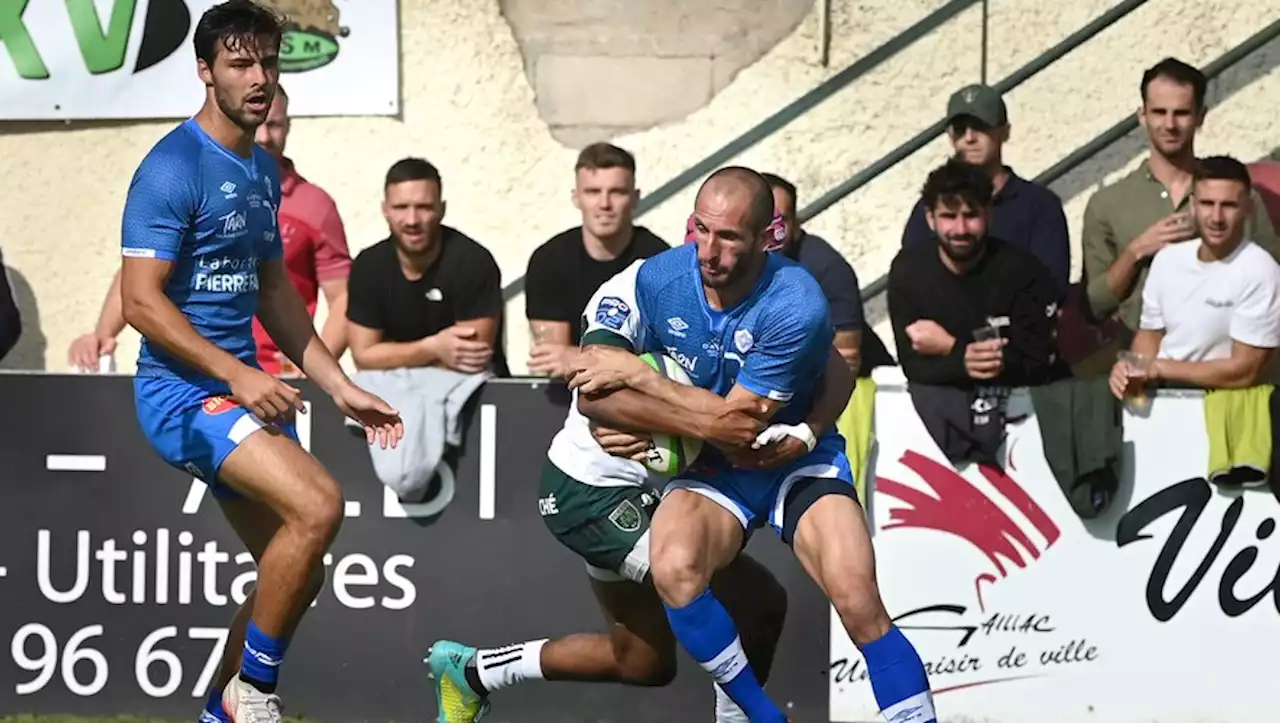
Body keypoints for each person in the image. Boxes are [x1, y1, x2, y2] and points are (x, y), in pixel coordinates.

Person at [545, 167, 937, 723]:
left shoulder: (795, 300)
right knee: (675, 569)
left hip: (791, 459)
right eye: (700, 230)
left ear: (768, 236)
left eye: (729, 236)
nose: (709, 250)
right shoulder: (654, 280)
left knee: (858, 601)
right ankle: (761, 716)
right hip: (712, 468)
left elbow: (744, 423)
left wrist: (646, 382)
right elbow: (592, 394)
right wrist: (643, 396)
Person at [117, 3, 403, 722]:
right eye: (241, 64)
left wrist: (339, 385)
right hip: (181, 395)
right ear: (205, 72)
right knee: (319, 504)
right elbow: (141, 303)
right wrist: (240, 375)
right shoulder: (171, 167)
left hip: (237, 389)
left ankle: (221, 711)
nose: (259, 79)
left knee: (296, 562)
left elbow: (275, 292)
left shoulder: (260, 168)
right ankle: (254, 693)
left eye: (268, 63)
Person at [425, 258, 858, 723]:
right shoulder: (644, 289)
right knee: (759, 603)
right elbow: (594, 392)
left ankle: (472, 672)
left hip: (630, 492)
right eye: (709, 236)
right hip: (592, 492)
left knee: (643, 661)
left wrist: (805, 430)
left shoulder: (773, 311)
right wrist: (707, 425)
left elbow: (833, 366)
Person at [69, 87, 353, 377]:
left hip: (276, 376)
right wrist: (102, 335)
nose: (266, 136)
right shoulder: (196, 184)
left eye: (275, 124)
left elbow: (344, 297)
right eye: (259, 125)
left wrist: (314, 369)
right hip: (196, 370)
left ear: (288, 126)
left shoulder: (316, 206)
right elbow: (142, 270)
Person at [1082, 57, 1279, 338]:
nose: (1170, 124)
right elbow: (1094, 306)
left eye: (1182, 113)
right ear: (1142, 116)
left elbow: (1273, 285)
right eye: (1159, 112)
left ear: (1200, 116)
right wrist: (1136, 251)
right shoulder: (1107, 203)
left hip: (1226, 356)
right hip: (1141, 358)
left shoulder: (1239, 197)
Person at [1110, 156, 1280, 412]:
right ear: (1192, 206)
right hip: (1160, 404)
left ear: (1249, 207)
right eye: (1207, 204)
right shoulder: (1167, 260)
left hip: (1227, 410)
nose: (1216, 217)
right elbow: (1150, 334)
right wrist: (1132, 369)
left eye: (1229, 205)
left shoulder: (1261, 272)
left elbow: (1244, 370)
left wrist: (1159, 368)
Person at [888, 158, 1064, 389]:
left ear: (989, 214)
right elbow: (912, 365)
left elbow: (1036, 364)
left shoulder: (1024, 273)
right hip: (941, 404)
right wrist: (964, 360)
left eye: (971, 216)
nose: (960, 230)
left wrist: (952, 348)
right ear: (930, 219)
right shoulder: (908, 271)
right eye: (949, 216)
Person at [346, 158, 509, 377]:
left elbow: (472, 358)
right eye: (401, 207)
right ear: (385, 209)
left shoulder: (472, 262)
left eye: (424, 207)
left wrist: (392, 356)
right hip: (392, 389)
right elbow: (364, 356)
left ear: (442, 209)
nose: (412, 220)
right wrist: (433, 348)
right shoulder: (368, 266)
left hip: (472, 392)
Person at [902, 84, 1070, 295]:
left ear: (1005, 132)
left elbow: (1051, 288)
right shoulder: (931, 208)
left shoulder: (1039, 205)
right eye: (960, 129)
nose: (969, 138)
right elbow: (910, 281)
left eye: (980, 126)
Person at [524, 143, 669, 378]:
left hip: (641, 392)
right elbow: (552, 361)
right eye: (593, 192)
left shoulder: (658, 260)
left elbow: (664, 355)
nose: (604, 204)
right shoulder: (548, 261)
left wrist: (577, 356)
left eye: (617, 192)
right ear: (576, 198)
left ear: (635, 198)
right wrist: (619, 361)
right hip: (567, 392)